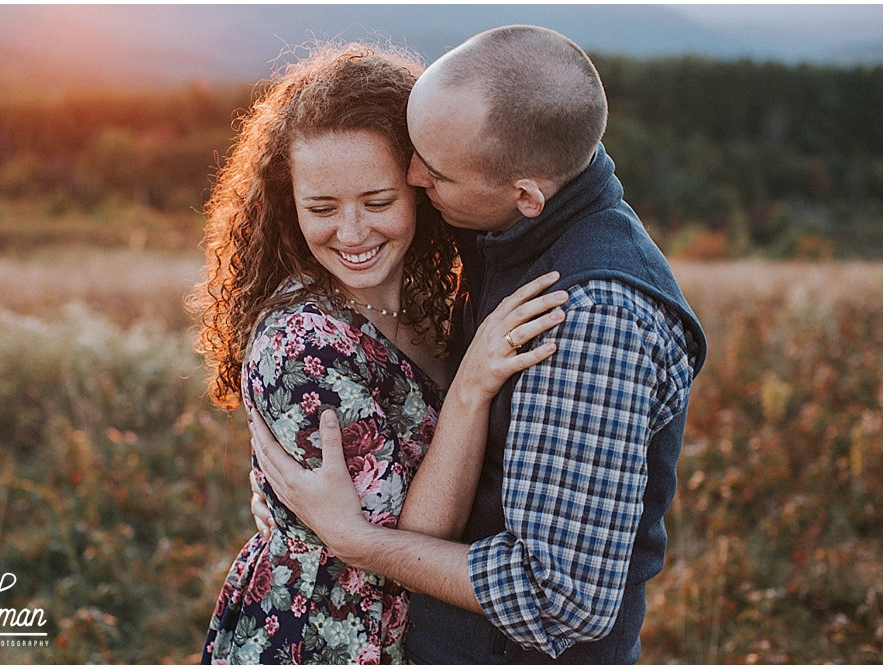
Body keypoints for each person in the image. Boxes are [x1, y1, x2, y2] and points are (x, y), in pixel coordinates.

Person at [251, 25, 708, 664]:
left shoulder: (587, 320)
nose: (413, 175)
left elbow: (558, 599)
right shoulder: (509, 233)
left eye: (432, 172)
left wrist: (355, 540)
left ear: (526, 194)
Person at [190, 42, 568, 664]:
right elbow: (410, 543)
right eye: (322, 207)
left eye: (378, 201)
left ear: (422, 185)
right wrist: (471, 386)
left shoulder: (433, 296)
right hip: (325, 636)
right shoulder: (301, 347)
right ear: (290, 203)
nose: (353, 233)